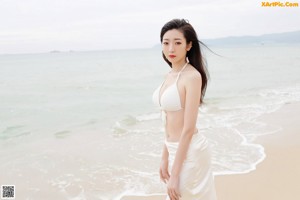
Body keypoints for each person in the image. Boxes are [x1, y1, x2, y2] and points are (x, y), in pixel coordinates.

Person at [152, 19, 217, 200]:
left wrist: (175, 174)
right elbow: (168, 121)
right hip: (175, 149)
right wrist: (164, 157)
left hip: (191, 152)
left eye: (177, 42)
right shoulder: (169, 75)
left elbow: (187, 129)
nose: (171, 48)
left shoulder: (192, 77)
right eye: (166, 43)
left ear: (189, 45)